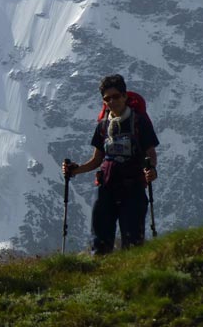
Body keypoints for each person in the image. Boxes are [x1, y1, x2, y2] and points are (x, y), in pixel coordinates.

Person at [62, 74, 159, 254]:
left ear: (124, 96)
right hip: (106, 187)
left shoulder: (140, 122)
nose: (111, 101)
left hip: (133, 188)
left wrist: (151, 169)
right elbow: (97, 160)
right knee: (99, 241)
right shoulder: (102, 125)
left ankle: (132, 278)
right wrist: (75, 170)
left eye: (115, 96)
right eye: (107, 98)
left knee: (132, 241)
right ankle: (101, 278)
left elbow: (151, 154)